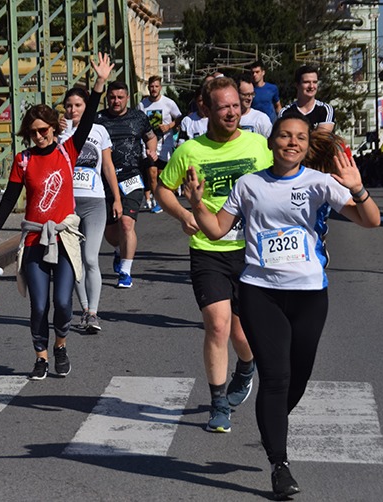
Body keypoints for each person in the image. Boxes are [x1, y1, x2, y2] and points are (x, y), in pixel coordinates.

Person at [183, 115, 380, 499]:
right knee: (275, 376)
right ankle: (280, 464)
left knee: (298, 376)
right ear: (271, 141)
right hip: (260, 291)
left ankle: (272, 419)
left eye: (300, 138)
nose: (292, 142)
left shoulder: (320, 183)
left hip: (309, 293)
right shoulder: (250, 184)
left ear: (308, 146)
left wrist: (358, 189)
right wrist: (195, 203)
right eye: (285, 135)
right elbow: (217, 230)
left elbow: (370, 221)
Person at [0, 53, 113, 380]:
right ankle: (40, 355)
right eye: (33, 132)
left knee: (64, 304)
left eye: (43, 130)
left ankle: (61, 345)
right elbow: (10, 198)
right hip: (34, 237)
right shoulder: (23, 160)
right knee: (39, 305)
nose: (38, 136)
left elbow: (90, 114)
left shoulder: (68, 151)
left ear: (54, 128)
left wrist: (98, 83)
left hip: (65, 237)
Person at [155, 77, 273, 433]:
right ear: (206, 108)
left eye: (236, 105)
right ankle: (218, 403)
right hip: (209, 250)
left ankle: (246, 366)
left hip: (252, 251)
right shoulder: (190, 151)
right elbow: (163, 189)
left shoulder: (258, 146)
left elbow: (279, 183)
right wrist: (185, 214)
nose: (232, 112)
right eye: (224, 107)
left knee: (242, 332)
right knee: (218, 325)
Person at [58, 87, 122, 333]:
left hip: (95, 202)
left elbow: (107, 166)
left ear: (87, 107)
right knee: (77, 262)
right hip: (68, 205)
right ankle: (84, 310)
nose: (73, 110)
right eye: (69, 105)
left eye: (78, 105)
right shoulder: (61, 133)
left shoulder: (99, 131)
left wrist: (116, 198)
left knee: (90, 258)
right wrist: (57, 133)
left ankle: (94, 313)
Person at [96, 81, 157, 288]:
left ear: (127, 98)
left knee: (127, 223)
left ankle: (126, 271)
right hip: (105, 179)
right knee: (112, 234)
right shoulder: (99, 119)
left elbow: (151, 137)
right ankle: (118, 250)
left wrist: (152, 150)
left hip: (132, 177)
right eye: (112, 97)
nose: (116, 101)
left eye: (120, 97)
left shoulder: (138, 117)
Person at [137, 76, 182, 213]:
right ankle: (158, 200)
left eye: (156, 86)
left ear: (160, 87)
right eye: (151, 86)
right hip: (149, 144)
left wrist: (169, 126)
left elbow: (179, 118)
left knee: (162, 174)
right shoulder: (142, 105)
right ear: (148, 87)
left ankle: (164, 199)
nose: (154, 89)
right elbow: (137, 121)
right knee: (152, 173)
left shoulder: (168, 103)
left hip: (165, 143)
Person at [279, 65, 335, 131]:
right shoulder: (285, 112)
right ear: (297, 85)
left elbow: (321, 139)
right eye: (306, 82)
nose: (311, 86)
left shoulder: (325, 110)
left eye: (315, 82)